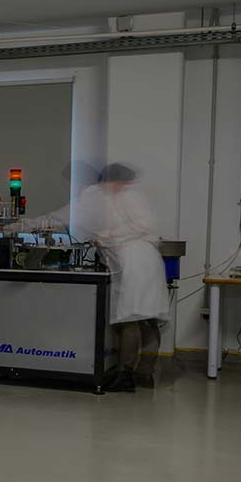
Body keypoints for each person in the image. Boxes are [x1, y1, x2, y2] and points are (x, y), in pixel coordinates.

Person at [71, 163, 168, 391]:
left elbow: (143, 225)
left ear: (116, 181)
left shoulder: (129, 196)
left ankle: (127, 374)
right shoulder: (124, 196)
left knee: (131, 319)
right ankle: (143, 374)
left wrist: (109, 234)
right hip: (139, 262)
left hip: (137, 263)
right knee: (144, 318)